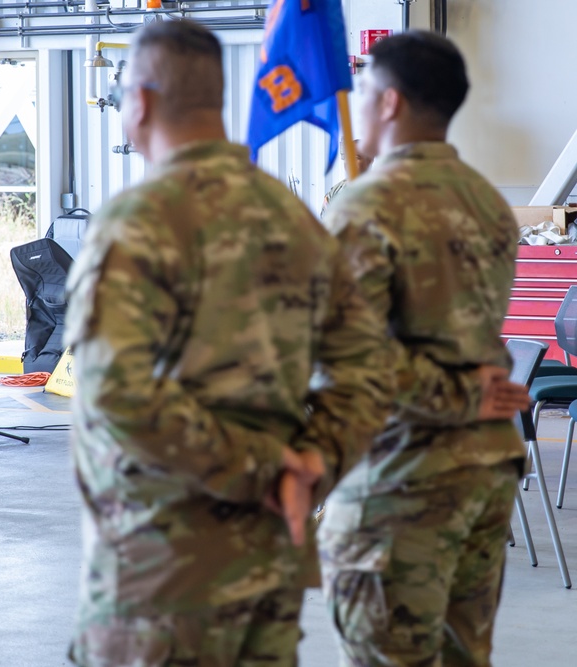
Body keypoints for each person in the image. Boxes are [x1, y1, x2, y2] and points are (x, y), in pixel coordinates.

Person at [65, 19, 393, 667]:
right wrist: (308, 467)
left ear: (142, 100)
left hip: (162, 574)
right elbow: (369, 370)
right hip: (271, 561)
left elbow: (116, 394)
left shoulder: (137, 223)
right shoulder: (294, 217)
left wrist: (263, 470)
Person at [318, 31, 534, 666]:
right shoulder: (488, 201)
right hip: (486, 469)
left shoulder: (368, 204)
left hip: (403, 477)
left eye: (363, 91)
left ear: (389, 103)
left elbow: (342, 357)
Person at [320, 141, 372, 218]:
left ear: (370, 160)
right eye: (346, 157)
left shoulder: (380, 189)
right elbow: (324, 220)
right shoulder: (335, 190)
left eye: (356, 157)